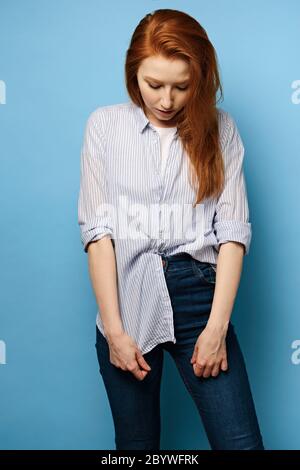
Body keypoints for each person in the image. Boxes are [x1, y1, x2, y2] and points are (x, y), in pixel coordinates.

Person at [78, 8, 265, 451]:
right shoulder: (104, 126)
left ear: (199, 79)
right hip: (126, 297)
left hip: (202, 296)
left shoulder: (221, 130)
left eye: (182, 87)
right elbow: (98, 234)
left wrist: (217, 327)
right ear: (133, 75)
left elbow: (233, 233)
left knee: (242, 445)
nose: (166, 100)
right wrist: (114, 330)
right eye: (153, 85)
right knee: (137, 448)